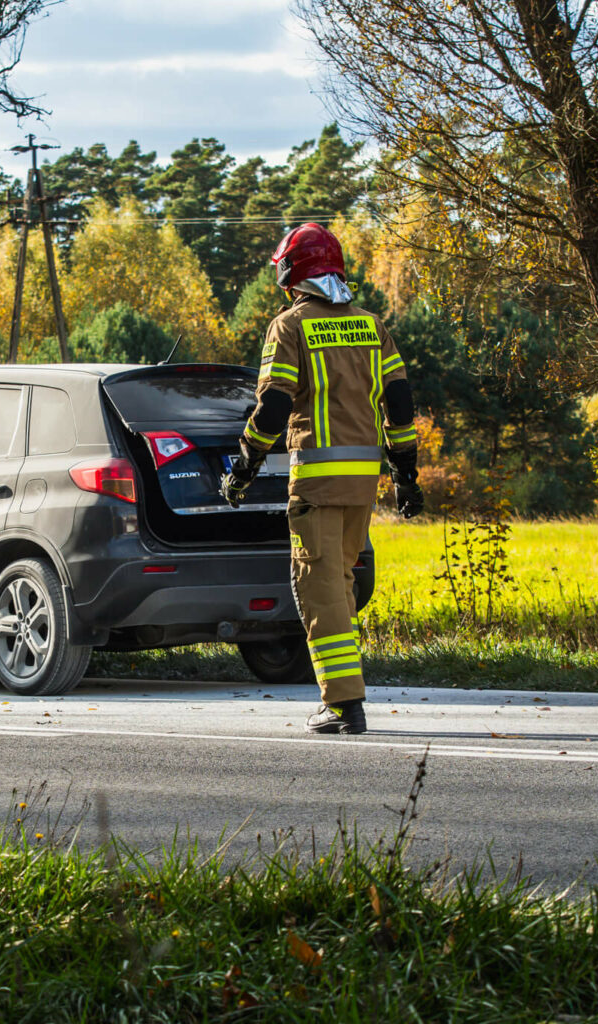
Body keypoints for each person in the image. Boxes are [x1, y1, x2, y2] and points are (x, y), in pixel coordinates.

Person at [222, 223, 424, 735]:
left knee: (320, 589)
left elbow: (273, 405)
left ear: (294, 273)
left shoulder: (290, 326)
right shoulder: (371, 325)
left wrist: (244, 463)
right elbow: (398, 404)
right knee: (341, 583)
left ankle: (343, 704)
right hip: (363, 483)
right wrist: (405, 473)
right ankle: (344, 692)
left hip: (316, 479)